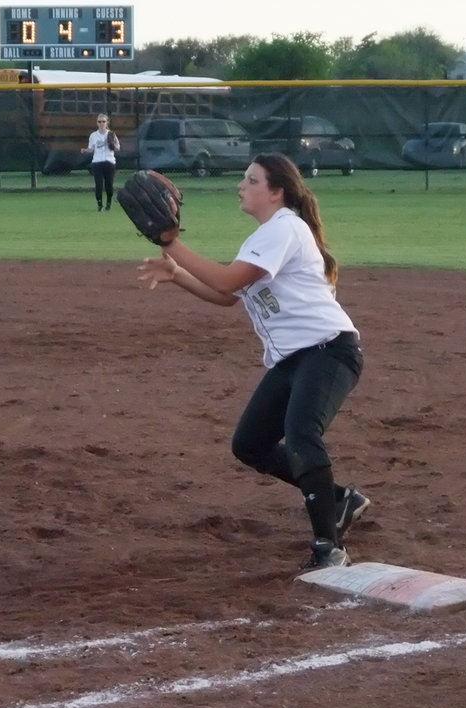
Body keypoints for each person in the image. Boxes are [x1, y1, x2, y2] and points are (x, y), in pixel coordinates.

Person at [136, 152, 370, 570]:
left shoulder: (285, 228)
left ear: (277, 192)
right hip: (295, 359)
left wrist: (172, 243)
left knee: (301, 437)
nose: (241, 186)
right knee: (250, 444)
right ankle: (338, 499)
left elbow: (227, 281)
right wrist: (179, 275)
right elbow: (228, 296)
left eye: (251, 180)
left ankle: (328, 547)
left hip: (329, 350)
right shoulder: (264, 237)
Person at [83, 114, 119, 212]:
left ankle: (108, 202)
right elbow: (91, 148)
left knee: (109, 185)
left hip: (109, 161)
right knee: (98, 184)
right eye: (99, 121)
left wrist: (112, 145)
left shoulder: (111, 134)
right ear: (97, 123)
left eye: (103, 121)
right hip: (97, 162)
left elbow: (117, 147)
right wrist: (86, 150)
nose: (101, 123)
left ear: (107, 122)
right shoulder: (93, 135)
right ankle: (100, 204)